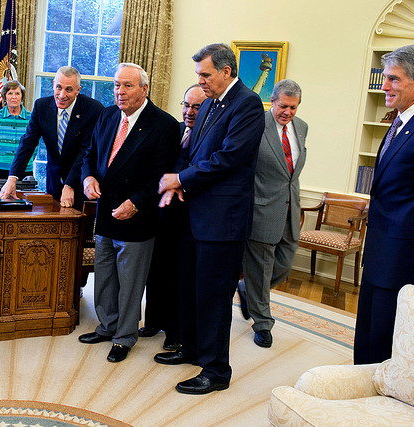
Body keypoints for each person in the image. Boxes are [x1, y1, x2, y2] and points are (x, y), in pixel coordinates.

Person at [155, 43, 264, 395]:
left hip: (222, 221)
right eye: (198, 74)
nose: (200, 81)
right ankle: (192, 349)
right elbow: (190, 152)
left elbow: (229, 157)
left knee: (214, 298)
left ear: (227, 72)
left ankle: (216, 370)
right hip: (194, 215)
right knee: (190, 288)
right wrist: (176, 180)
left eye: (206, 74)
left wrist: (182, 180)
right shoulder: (209, 104)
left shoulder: (247, 104)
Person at [78, 63, 179, 363]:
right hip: (106, 212)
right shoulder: (107, 115)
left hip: (137, 216)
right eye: (116, 85)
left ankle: (124, 337)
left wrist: (135, 203)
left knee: (130, 282)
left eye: (127, 86)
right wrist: (88, 178)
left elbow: (162, 176)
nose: (119, 92)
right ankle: (107, 326)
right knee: (105, 275)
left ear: (144, 89)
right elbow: (91, 155)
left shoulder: (164, 125)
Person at [354, 44, 414, 365]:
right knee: (366, 329)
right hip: (380, 247)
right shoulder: (401, 121)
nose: (385, 86)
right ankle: (360, 385)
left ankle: (379, 402)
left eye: (394, 79)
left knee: (385, 336)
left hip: (404, 255)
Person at [238, 79, 308, 348]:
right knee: (261, 267)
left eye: (293, 107)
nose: (287, 112)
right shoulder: (258, 126)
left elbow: (291, 174)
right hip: (261, 209)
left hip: (290, 209)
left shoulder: (301, 128)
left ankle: (247, 288)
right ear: (273, 102)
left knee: (283, 265)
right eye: (283, 106)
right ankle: (263, 324)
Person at [139, 84, 206, 351]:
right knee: (157, 269)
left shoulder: (207, 136)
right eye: (186, 105)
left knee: (180, 276)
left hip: (189, 215)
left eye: (196, 107)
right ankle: (154, 321)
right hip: (162, 212)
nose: (189, 111)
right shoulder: (174, 129)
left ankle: (175, 332)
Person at [0, 66, 103, 208]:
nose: (62, 95)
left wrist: (70, 184)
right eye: (59, 87)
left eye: (69, 89)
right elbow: (28, 143)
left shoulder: (93, 110)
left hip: (80, 183)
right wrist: (12, 178)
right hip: (53, 181)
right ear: (53, 84)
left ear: (78, 90)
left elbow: (85, 152)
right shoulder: (41, 106)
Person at [0, 80, 34, 181]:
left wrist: (28, 159)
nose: (14, 97)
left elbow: (35, 144)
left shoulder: (31, 118)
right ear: (5, 97)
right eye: (10, 93)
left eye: (17, 93)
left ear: (22, 97)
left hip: (24, 169)